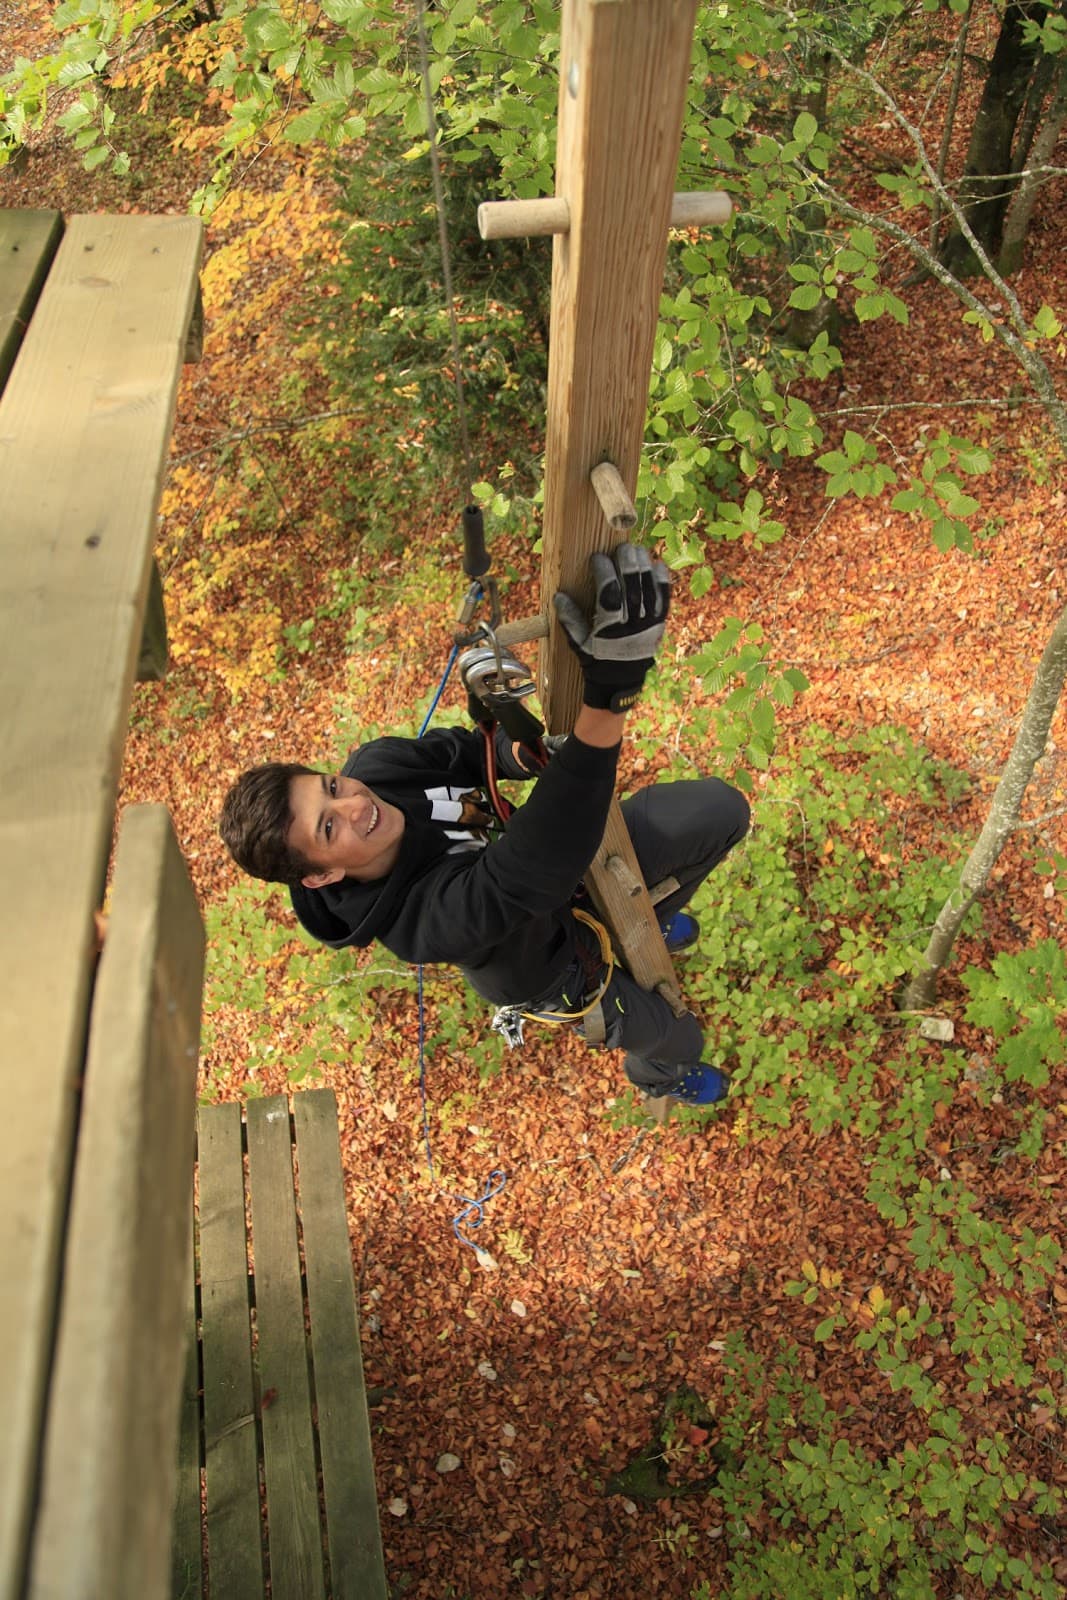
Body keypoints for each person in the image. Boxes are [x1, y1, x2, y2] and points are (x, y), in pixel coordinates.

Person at [219, 543, 749, 1104]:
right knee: (677, 1035)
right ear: (321, 877)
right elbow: (524, 872)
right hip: (555, 967)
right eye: (329, 829)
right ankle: (659, 1076)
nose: (353, 804)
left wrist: (521, 750)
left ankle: (649, 918)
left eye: (330, 786)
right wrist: (607, 700)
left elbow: (470, 753)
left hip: (567, 874)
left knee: (718, 813)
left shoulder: (377, 770)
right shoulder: (421, 927)